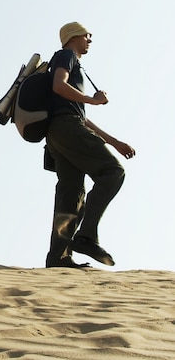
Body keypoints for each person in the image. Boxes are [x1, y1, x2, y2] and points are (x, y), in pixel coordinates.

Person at [45, 23, 135, 269]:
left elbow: (79, 115)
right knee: (113, 172)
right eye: (87, 36)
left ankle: (59, 258)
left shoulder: (66, 60)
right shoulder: (66, 56)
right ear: (74, 36)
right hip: (67, 128)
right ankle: (85, 237)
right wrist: (92, 100)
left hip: (58, 133)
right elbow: (58, 85)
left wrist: (114, 142)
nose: (90, 40)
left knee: (71, 194)